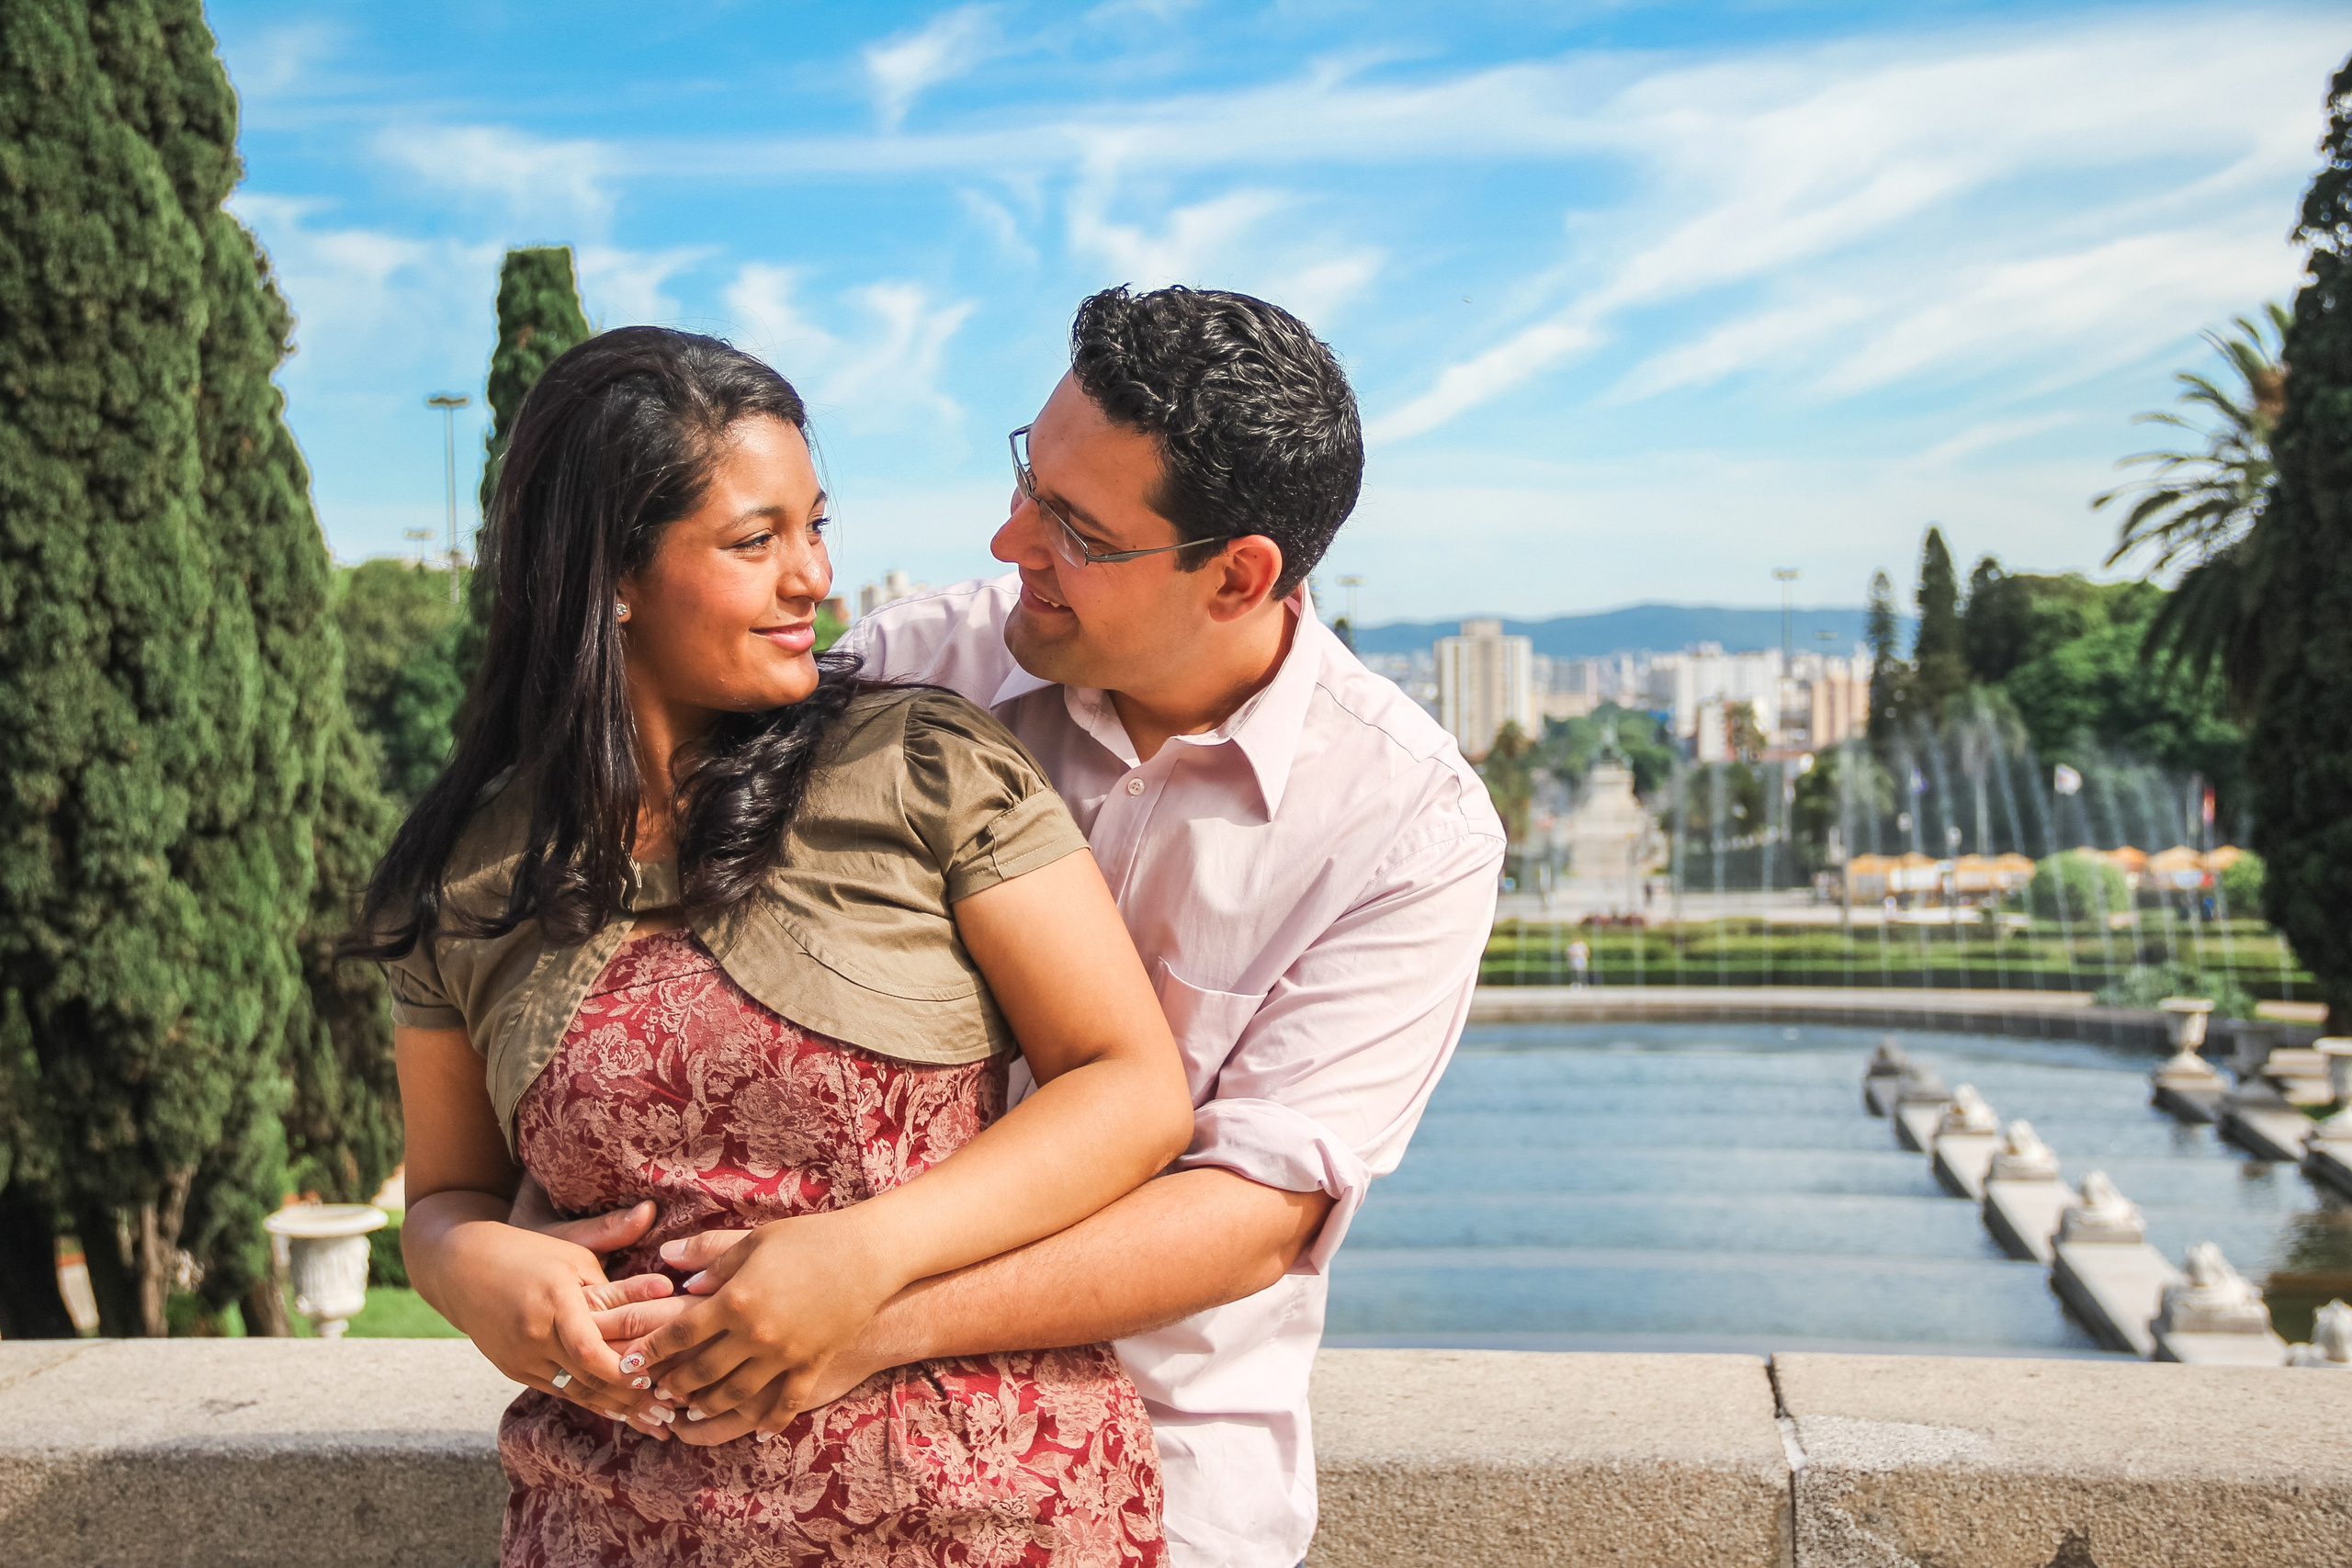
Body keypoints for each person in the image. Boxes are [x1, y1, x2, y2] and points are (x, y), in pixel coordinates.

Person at [569, 287, 1507, 1568]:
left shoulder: (1406, 824)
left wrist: (871, 1305)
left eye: (1075, 528)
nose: (1011, 538)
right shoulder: (914, 667)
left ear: (1238, 575)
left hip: (1167, 1478)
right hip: (790, 1449)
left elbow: (1254, 1215)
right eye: (1029, 479)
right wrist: (503, 1232)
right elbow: (667, 972)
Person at [356, 327, 1194, 1566]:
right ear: (610, 574)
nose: (814, 577)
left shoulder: (924, 769)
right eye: (757, 541)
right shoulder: (466, 880)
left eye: (816, 527)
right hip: (611, 1527)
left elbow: (1131, 1088)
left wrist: (867, 1254)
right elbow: (445, 1196)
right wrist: (467, 1265)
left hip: (985, 1514)